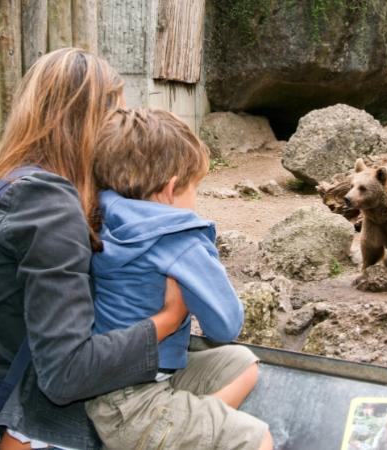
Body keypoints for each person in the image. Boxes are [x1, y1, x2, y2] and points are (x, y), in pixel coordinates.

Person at [0, 48, 268, 449]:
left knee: (240, 366)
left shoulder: (21, 185)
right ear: (87, 122)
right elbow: (66, 374)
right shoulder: (51, 208)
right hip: (49, 397)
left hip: (52, 378)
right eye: (114, 116)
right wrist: (170, 316)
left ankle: (176, 434)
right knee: (253, 437)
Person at [84, 107, 271, 449]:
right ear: (171, 189)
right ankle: (174, 433)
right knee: (255, 437)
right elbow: (225, 326)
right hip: (134, 405)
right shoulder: (178, 237)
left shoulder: (98, 212)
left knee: (242, 363)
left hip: (115, 383)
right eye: (195, 189)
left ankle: (183, 434)